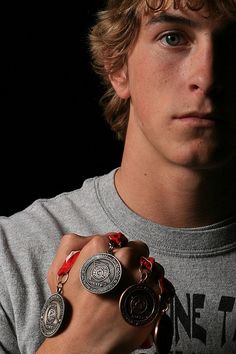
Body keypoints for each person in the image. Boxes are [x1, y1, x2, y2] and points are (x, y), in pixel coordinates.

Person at [1, 0, 236, 353]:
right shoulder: (11, 259)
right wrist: (75, 345)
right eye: (173, 38)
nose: (206, 77)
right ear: (118, 66)